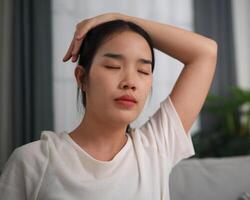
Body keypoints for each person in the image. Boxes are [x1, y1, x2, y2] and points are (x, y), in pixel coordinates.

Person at [0, 13, 217, 199]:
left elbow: (205, 52)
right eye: (113, 66)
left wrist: (121, 18)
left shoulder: (156, 148)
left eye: (143, 71)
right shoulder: (33, 161)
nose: (130, 82)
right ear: (82, 78)